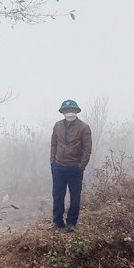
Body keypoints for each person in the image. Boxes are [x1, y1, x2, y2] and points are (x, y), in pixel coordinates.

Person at [49, 99, 92, 232]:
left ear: (76, 111)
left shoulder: (84, 128)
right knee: (57, 195)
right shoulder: (57, 126)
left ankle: (71, 223)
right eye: (67, 111)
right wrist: (52, 161)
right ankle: (57, 222)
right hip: (58, 167)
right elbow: (53, 144)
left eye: (72, 110)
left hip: (75, 168)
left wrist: (81, 166)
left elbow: (87, 149)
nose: (69, 113)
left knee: (75, 196)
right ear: (62, 112)